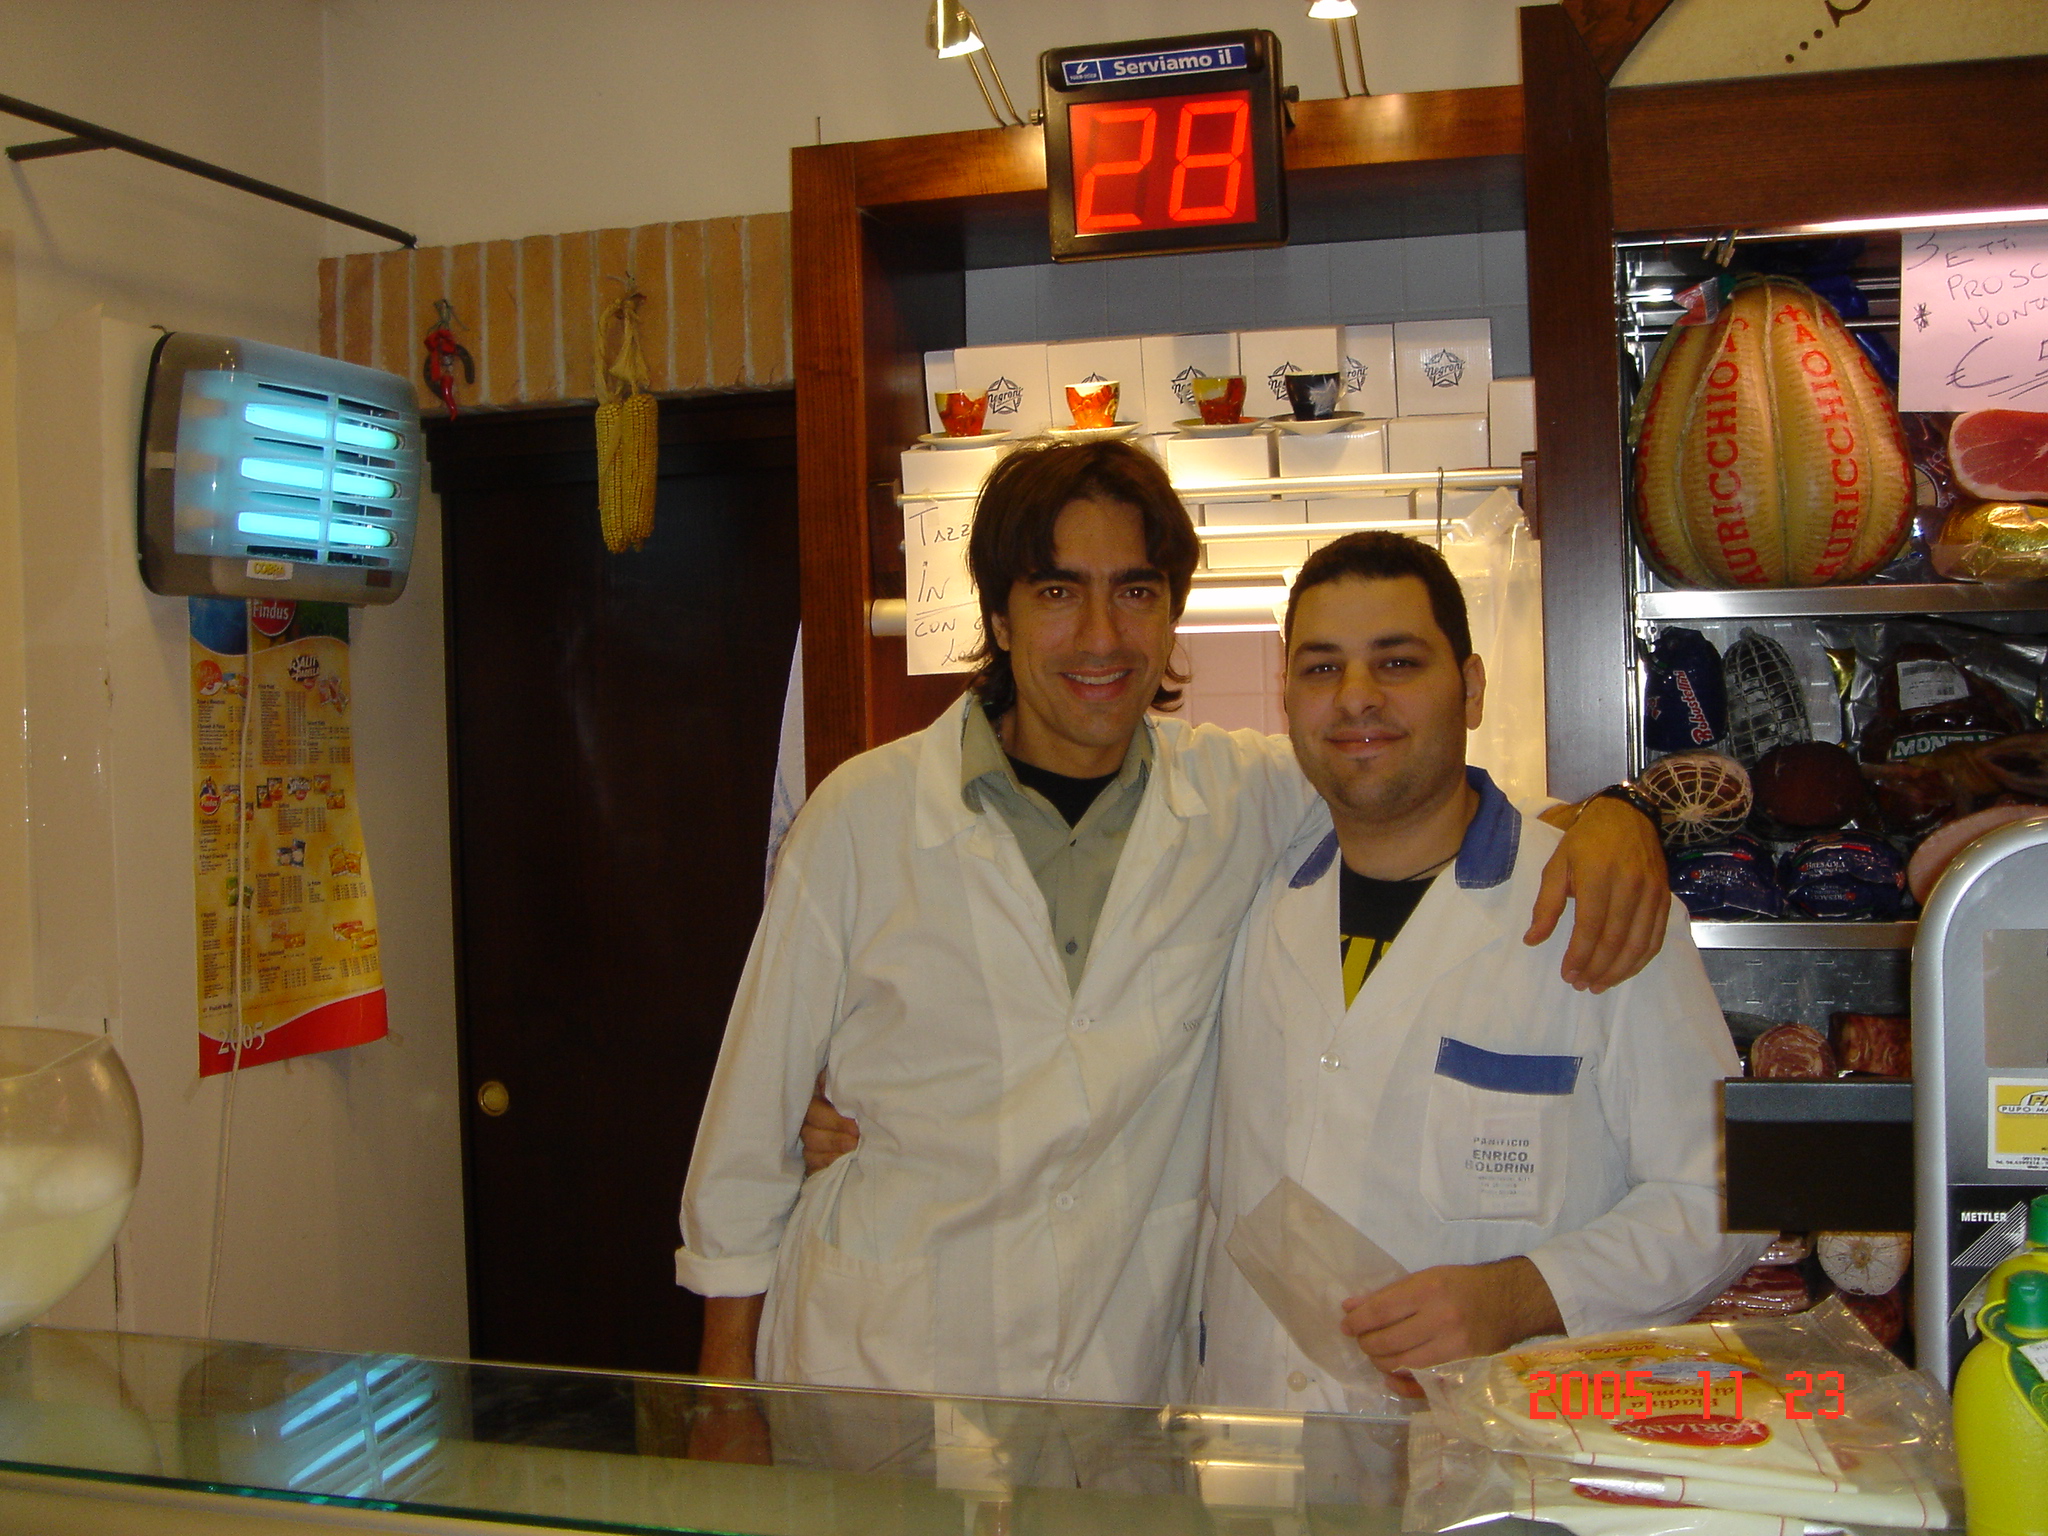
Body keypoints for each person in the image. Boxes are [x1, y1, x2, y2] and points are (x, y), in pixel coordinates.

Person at [675, 439, 1665, 1412]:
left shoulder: (1239, 797)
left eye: (1136, 591)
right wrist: (723, 1404)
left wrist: (1618, 815)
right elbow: (747, 1130)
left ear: (1170, 614)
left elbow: (1408, 783)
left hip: (1115, 1382)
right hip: (874, 1367)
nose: (1101, 636)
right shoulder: (862, 816)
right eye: (1057, 592)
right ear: (999, 619)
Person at [1193, 532, 1766, 1413]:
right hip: (1259, 1450)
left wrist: (1522, 1294)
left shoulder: (1593, 905)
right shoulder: (1252, 896)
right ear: (1287, 698)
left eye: (1397, 661)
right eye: (1320, 669)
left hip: (1499, 1455)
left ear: (1471, 687)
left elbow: (1721, 1189)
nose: (1355, 699)